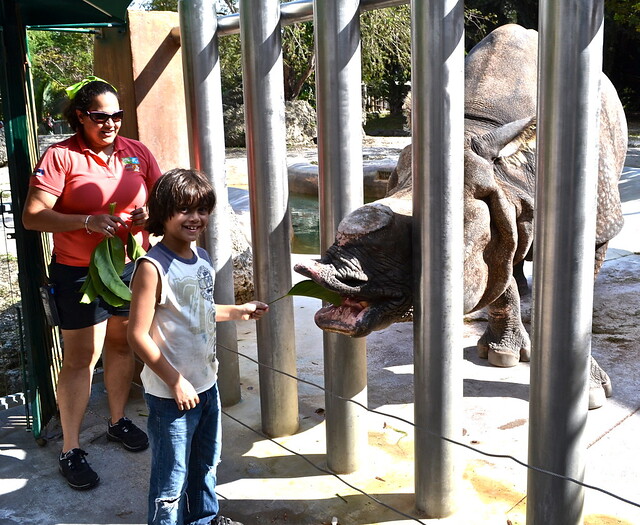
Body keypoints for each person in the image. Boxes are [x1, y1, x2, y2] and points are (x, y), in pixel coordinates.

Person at [22, 77, 162, 490]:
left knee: (122, 344)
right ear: (80, 117)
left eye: (117, 116)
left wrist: (147, 217)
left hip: (131, 267)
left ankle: (118, 421)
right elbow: (32, 216)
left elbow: (160, 198)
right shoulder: (61, 156)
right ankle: (70, 447)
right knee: (82, 357)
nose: (111, 124)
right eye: (101, 117)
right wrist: (86, 221)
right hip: (79, 271)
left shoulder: (136, 152)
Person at [127, 168, 268, 525]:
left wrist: (238, 311)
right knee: (171, 478)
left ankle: (205, 519)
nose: (196, 218)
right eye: (185, 210)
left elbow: (199, 311)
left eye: (202, 209)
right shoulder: (152, 267)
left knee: (206, 463)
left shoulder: (202, 260)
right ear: (163, 213)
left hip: (207, 385)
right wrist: (175, 381)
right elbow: (137, 335)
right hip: (170, 395)